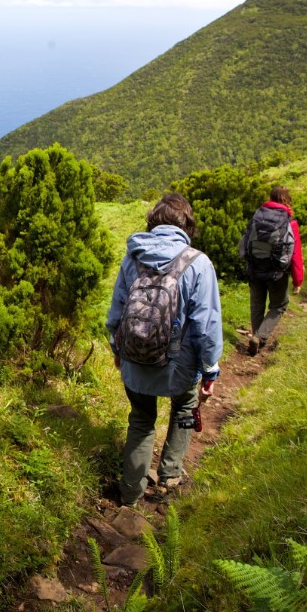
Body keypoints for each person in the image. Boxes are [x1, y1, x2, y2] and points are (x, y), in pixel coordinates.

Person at [106, 193, 223, 507]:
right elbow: (207, 325)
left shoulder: (132, 257)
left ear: (153, 221)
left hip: (134, 359)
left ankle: (130, 493)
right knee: (184, 408)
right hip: (177, 366)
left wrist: (117, 349)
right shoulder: (198, 263)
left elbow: (116, 313)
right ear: (186, 225)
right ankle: (170, 475)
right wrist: (210, 370)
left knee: (142, 418)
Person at [239, 186, 304, 356]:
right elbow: (296, 255)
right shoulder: (290, 223)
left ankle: (256, 337)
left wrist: (247, 261)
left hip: (254, 268)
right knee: (279, 305)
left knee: (256, 304)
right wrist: (298, 281)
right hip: (277, 273)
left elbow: (244, 242)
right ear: (287, 200)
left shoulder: (257, 217)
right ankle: (260, 337)